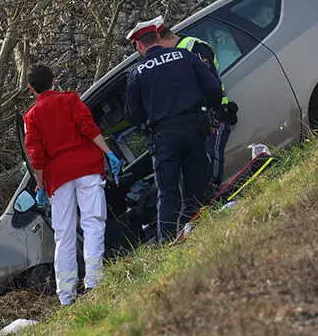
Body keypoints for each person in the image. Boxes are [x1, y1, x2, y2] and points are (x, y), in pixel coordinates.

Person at [23, 64, 122, 306]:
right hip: (87, 168)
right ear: (54, 80)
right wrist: (108, 152)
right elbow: (89, 127)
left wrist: (40, 185)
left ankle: (66, 295)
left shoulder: (31, 117)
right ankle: (94, 281)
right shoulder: (71, 100)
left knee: (64, 235)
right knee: (93, 223)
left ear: (31, 89)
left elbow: (36, 155)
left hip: (58, 178)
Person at [124, 19, 225, 243]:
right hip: (195, 128)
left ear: (138, 46)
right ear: (159, 38)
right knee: (196, 184)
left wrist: (147, 127)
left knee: (168, 191)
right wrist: (210, 111)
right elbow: (213, 88)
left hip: (164, 137)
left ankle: (167, 243)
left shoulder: (136, 73)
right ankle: (197, 230)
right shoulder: (185, 56)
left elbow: (133, 115)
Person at [151, 16, 239, 200]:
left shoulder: (194, 48)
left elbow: (210, 84)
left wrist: (218, 110)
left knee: (212, 155)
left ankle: (210, 193)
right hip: (195, 118)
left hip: (214, 112)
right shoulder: (172, 56)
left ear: (160, 39)